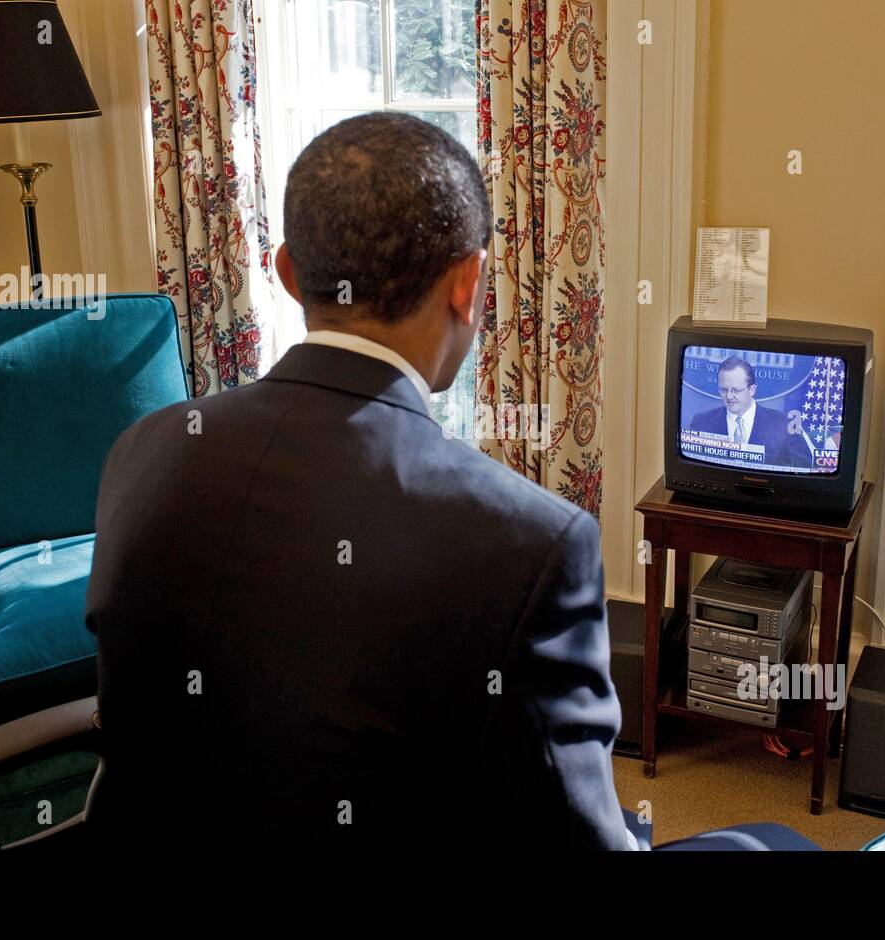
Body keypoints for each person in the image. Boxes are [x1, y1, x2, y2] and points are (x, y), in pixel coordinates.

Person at [84, 113, 634, 849]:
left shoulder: (142, 450)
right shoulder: (536, 542)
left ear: (285, 274)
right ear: (468, 284)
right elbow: (580, 837)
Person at [690, 357, 810, 468]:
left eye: (736, 390)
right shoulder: (701, 422)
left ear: (752, 390)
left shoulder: (782, 423)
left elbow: (803, 465)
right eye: (724, 390)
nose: (729, 396)